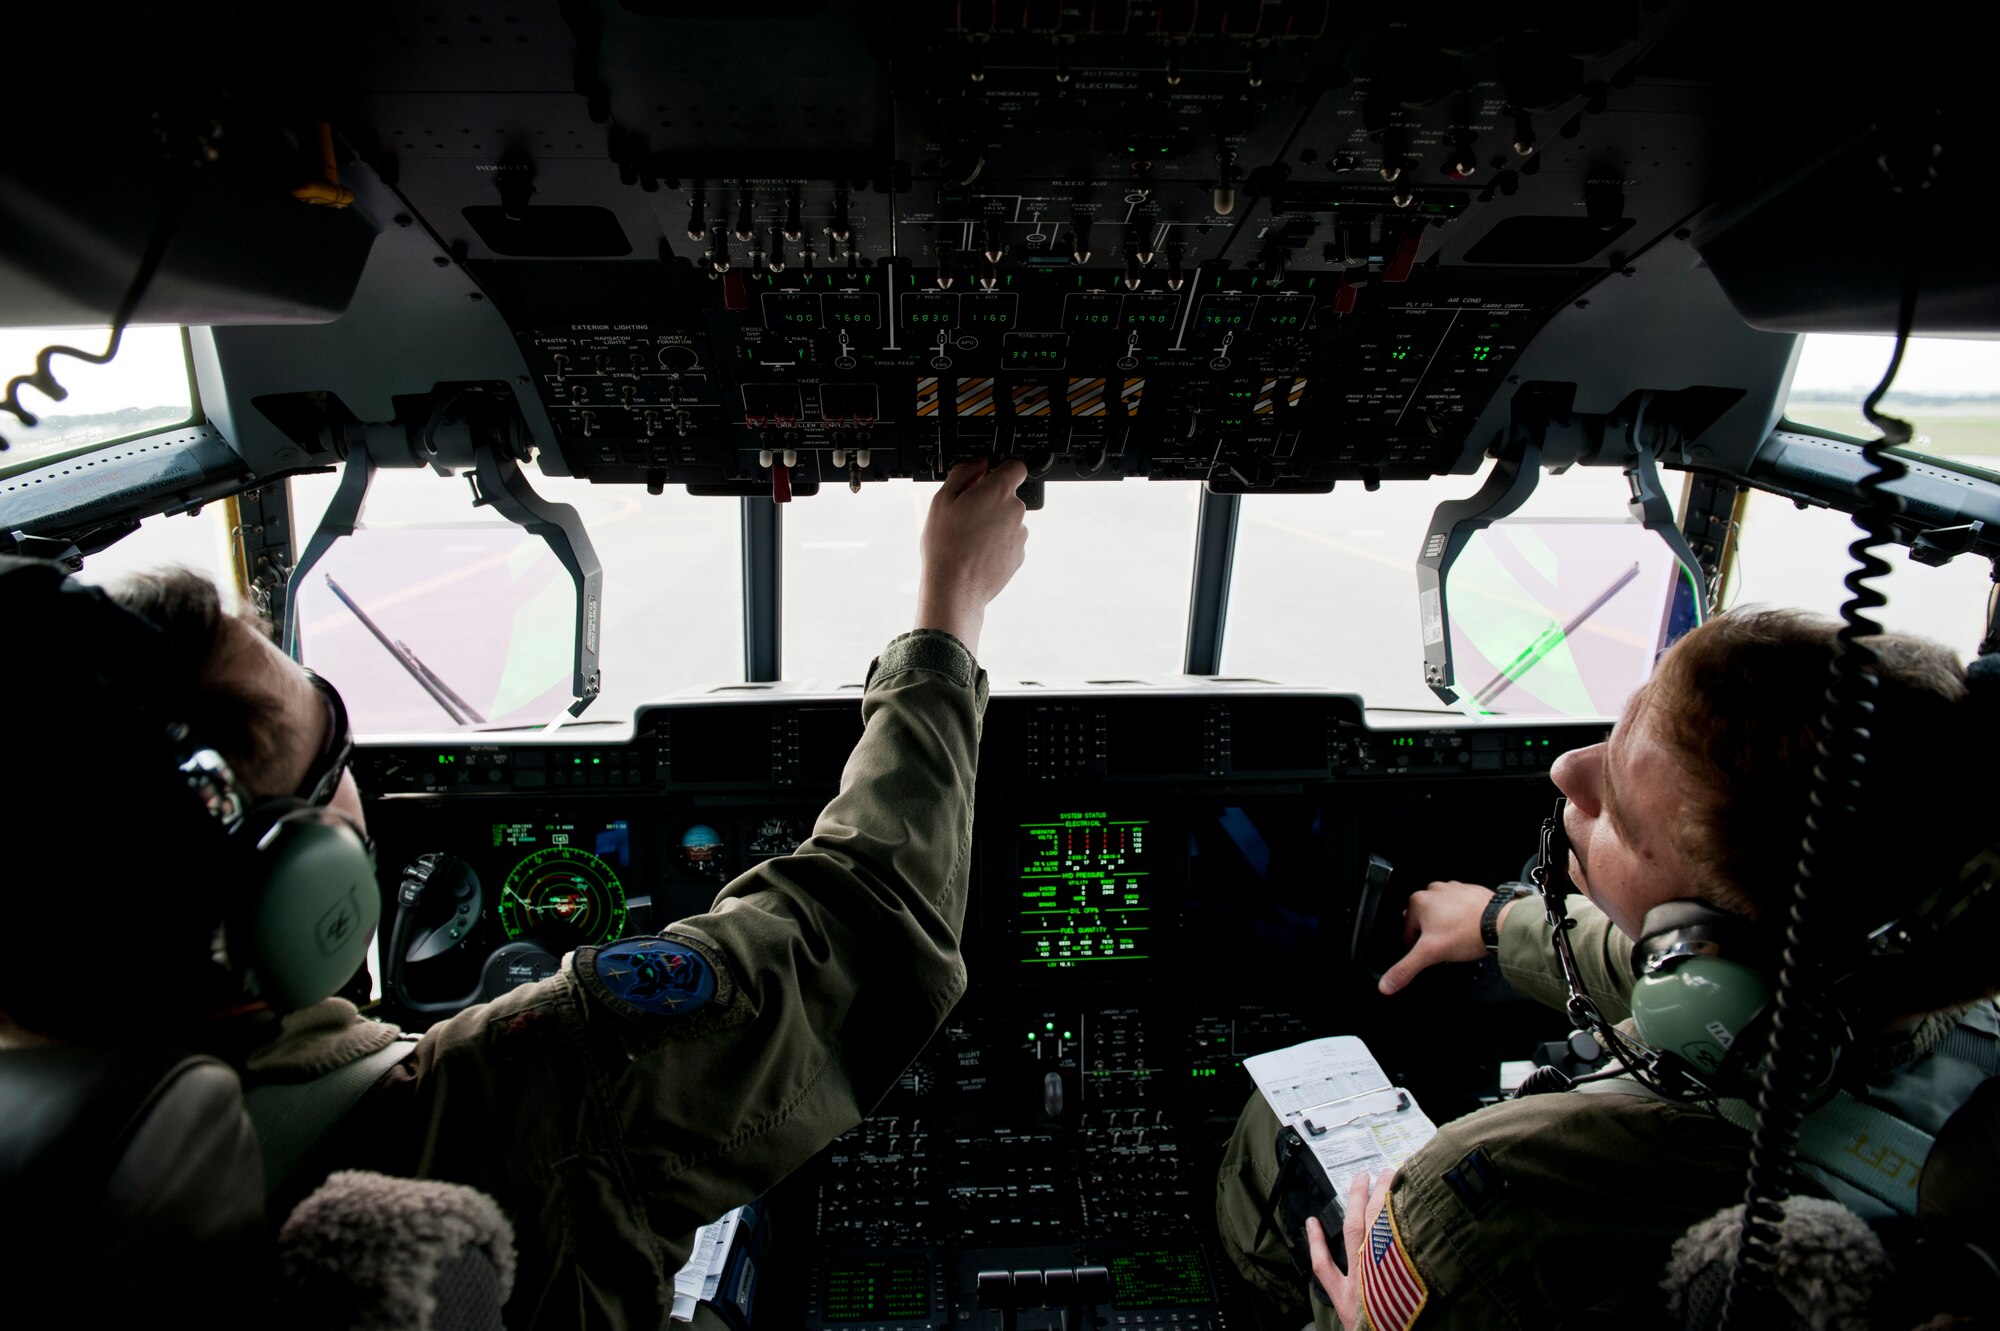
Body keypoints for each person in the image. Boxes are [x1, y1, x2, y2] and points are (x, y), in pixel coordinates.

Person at [0, 457, 1031, 1328]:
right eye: (331, 745)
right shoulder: (516, 1087)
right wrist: (954, 596)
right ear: (291, 878)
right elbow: (861, 912)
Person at [1215, 608, 2000, 1330]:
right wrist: (1498, 920)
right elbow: (1662, 959)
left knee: (1265, 1129)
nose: (1567, 770)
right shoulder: (1911, 985)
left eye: (1617, 810)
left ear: (1700, 966)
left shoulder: (1477, 1196)